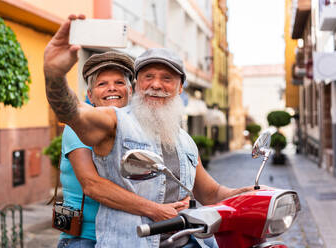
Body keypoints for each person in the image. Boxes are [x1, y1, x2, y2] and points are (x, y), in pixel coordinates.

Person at [44, 14, 252, 248]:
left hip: (185, 240)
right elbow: (72, 115)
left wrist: (245, 194)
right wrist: (54, 75)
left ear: (180, 87)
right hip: (95, 235)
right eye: (148, 77)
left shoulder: (184, 139)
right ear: (138, 84)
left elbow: (210, 192)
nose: (156, 84)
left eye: (167, 78)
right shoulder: (115, 121)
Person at [57, 51, 189, 248]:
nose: (112, 88)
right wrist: (157, 210)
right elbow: (92, 185)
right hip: (86, 238)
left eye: (119, 82)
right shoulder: (81, 126)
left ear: (130, 90)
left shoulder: (137, 127)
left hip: (129, 237)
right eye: (102, 84)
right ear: (90, 95)